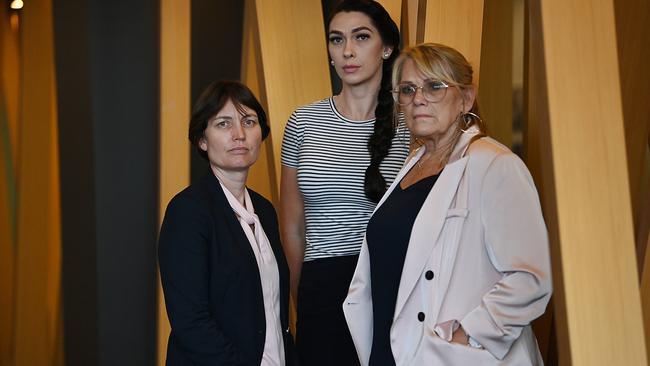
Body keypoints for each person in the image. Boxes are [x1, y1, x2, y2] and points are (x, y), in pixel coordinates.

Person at [343, 43, 553, 365]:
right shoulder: (413, 162)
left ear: (466, 99)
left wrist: (464, 335)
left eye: (434, 86)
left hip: (449, 355)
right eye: (408, 89)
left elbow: (530, 278)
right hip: (391, 351)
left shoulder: (495, 165)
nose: (418, 98)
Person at [280, 0, 409, 364]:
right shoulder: (303, 121)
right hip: (320, 284)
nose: (347, 51)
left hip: (388, 281)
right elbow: (292, 224)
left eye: (361, 37)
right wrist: (299, 292)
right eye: (337, 40)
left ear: (386, 48)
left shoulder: (410, 126)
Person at [159, 81, 296, 365]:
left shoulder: (265, 211)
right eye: (223, 124)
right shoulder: (187, 212)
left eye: (249, 121)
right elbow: (191, 323)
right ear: (202, 139)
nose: (239, 134)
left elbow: (274, 311)